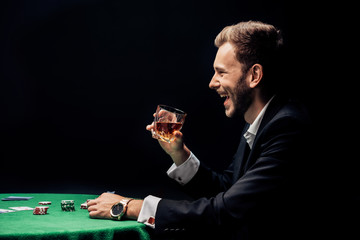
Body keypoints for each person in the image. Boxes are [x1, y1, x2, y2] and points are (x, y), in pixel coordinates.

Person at [87, 20, 315, 240]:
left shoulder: (287, 127)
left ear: (254, 75)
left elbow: (223, 211)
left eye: (222, 72)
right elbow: (229, 190)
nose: (212, 82)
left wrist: (129, 206)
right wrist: (180, 155)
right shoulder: (262, 119)